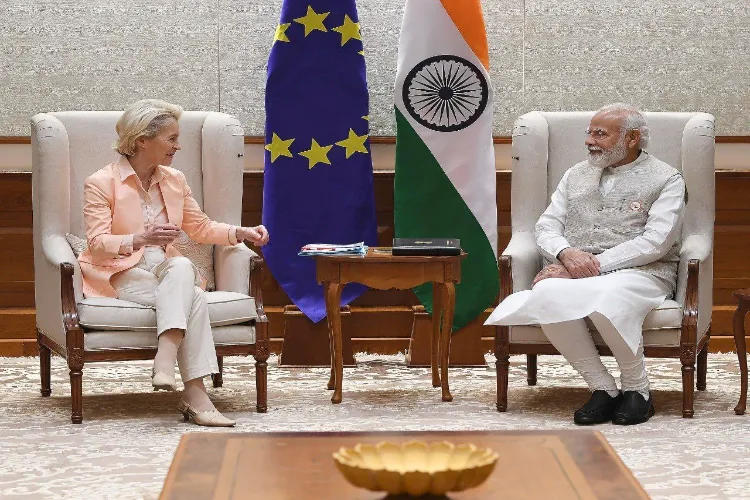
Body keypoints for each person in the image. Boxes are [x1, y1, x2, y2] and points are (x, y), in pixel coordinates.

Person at [486, 103, 685, 425]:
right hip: (574, 266)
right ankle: (603, 388)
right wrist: (566, 254)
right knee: (547, 292)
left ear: (632, 137)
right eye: (589, 133)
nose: (589, 141)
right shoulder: (574, 175)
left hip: (644, 271)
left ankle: (638, 391)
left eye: (600, 134)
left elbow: (656, 243)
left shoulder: (667, 179)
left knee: (606, 297)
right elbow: (546, 226)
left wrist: (590, 266)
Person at [78, 99, 269, 427]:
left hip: (167, 266)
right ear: (142, 141)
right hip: (120, 271)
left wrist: (241, 232)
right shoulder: (100, 183)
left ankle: (165, 361)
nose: (178, 146)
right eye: (171, 138)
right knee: (192, 296)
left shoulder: (175, 180)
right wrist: (139, 238)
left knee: (181, 268)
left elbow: (201, 227)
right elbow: (96, 246)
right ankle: (195, 395)